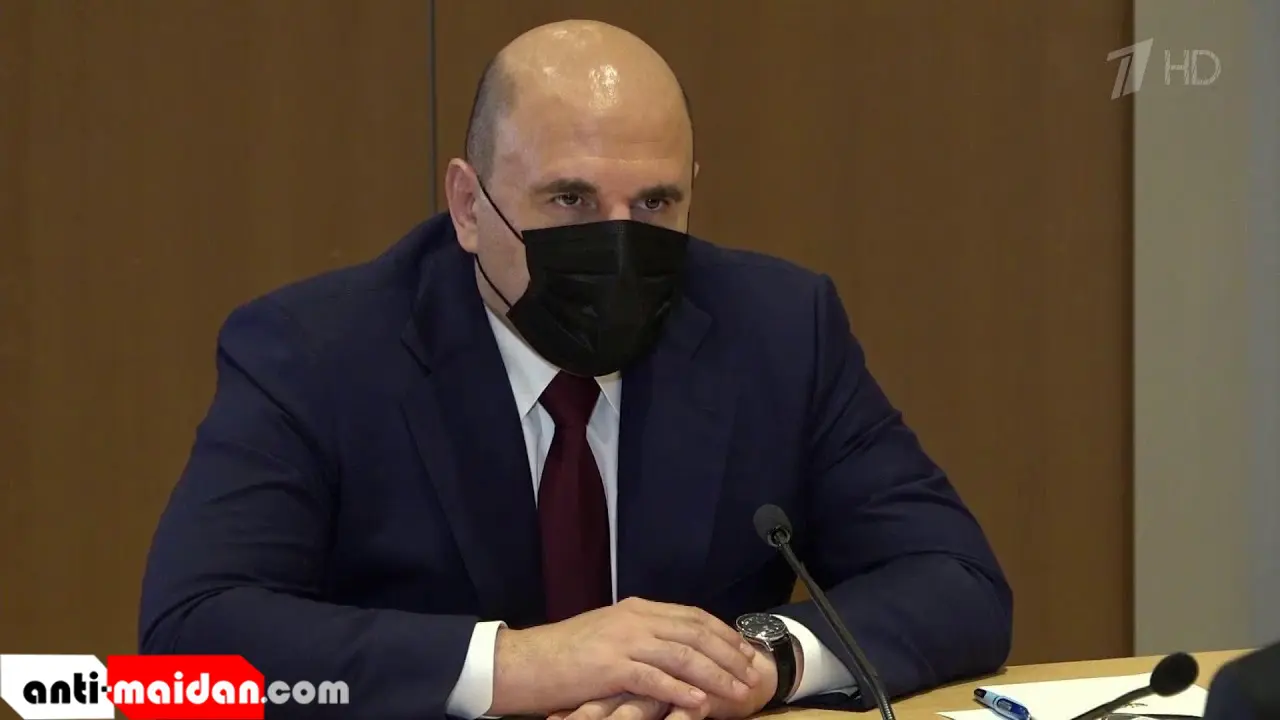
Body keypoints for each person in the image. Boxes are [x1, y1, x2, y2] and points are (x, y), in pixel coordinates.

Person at [138, 19, 1012, 720]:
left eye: (655, 203)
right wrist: (522, 664)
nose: (619, 245)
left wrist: (754, 658)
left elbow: (958, 582)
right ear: (469, 205)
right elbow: (185, 649)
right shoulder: (315, 352)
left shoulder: (779, 331)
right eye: (570, 200)